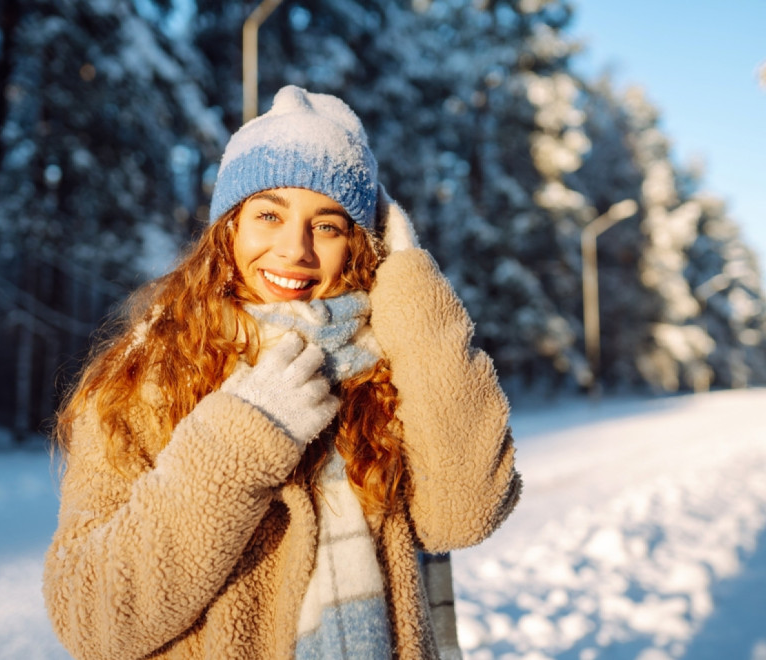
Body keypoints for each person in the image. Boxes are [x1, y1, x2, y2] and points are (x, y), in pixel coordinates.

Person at [43, 85, 521, 660]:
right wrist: (240, 439)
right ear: (229, 230)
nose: (295, 249)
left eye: (328, 226)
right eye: (269, 215)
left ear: (360, 246)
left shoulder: (392, 370)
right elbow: (93, 618)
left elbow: (465, 514)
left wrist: (410, 282)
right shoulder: (148, 375)